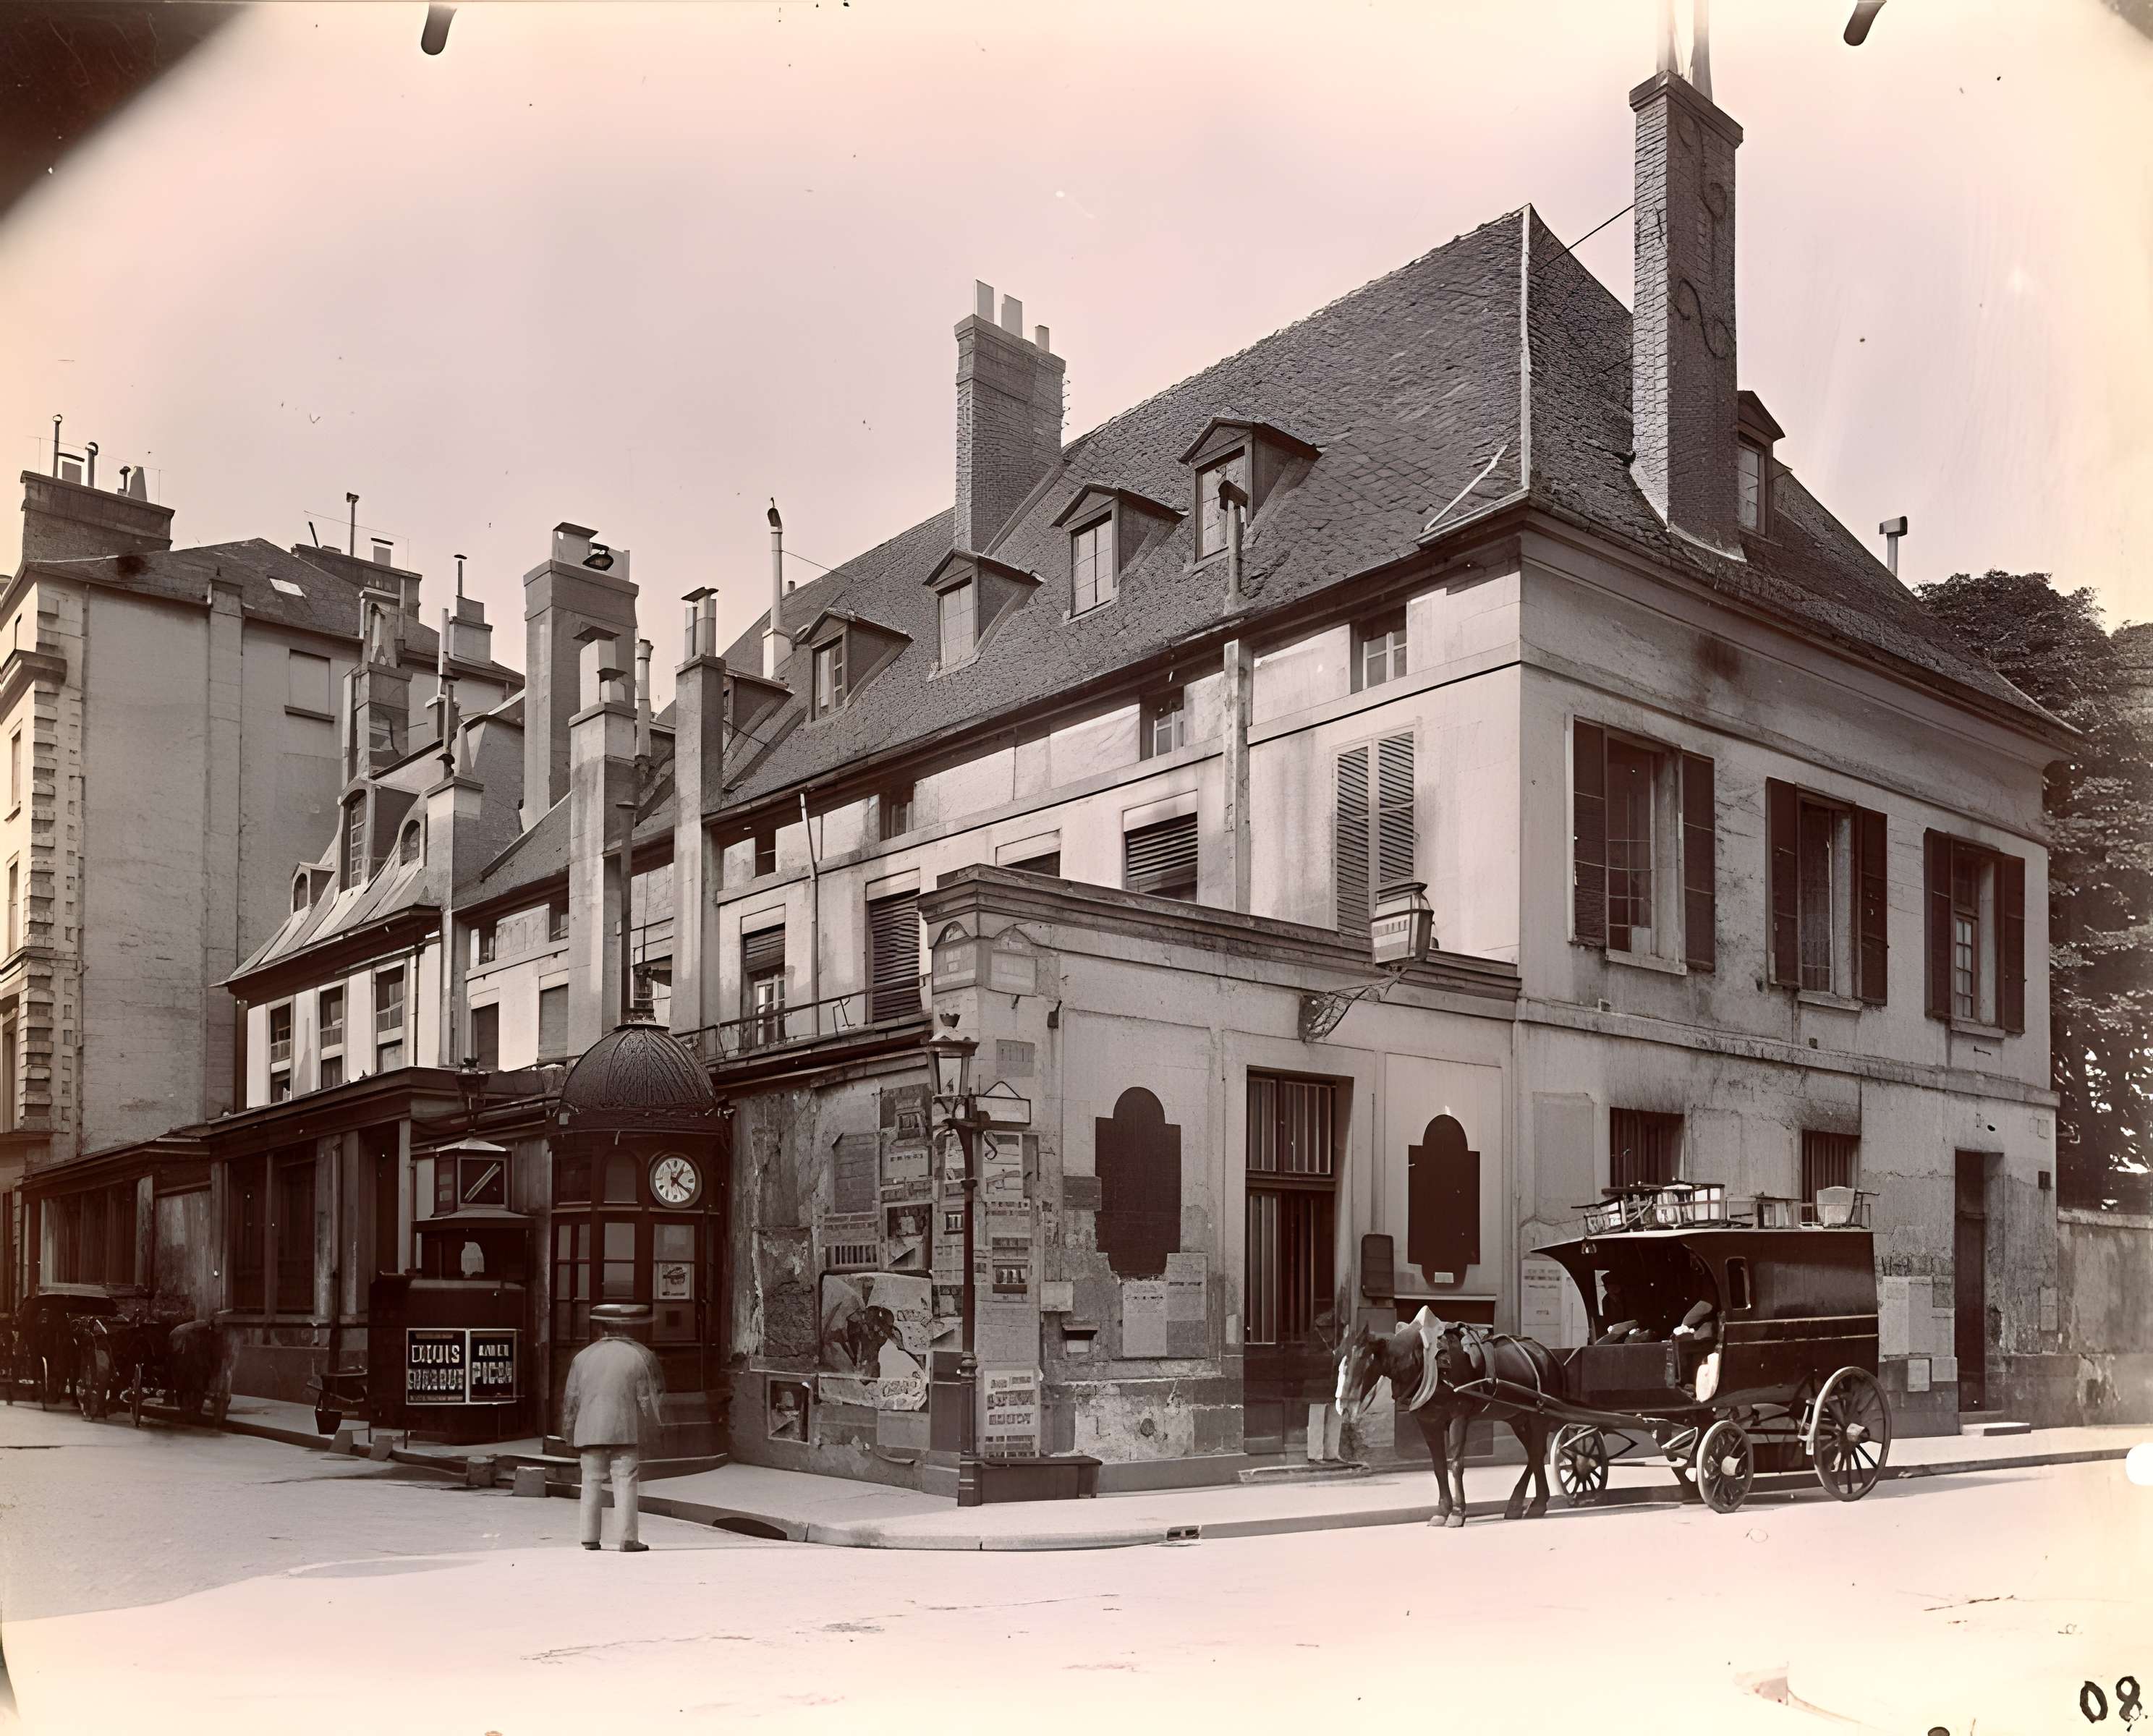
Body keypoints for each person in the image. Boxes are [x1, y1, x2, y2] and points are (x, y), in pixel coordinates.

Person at [561, 1302, 664, 1553]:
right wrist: (655, 1428)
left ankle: (589, 1538)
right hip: (625, 1430)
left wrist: (568, 1432)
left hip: (590, 1431)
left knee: (591, 1482)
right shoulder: (640, 1356)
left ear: (602, 1329)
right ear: (628, 1329)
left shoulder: (582, 1357)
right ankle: (628, 1539)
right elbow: (646, 1399)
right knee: (626, 1481)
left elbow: (571, 1400)